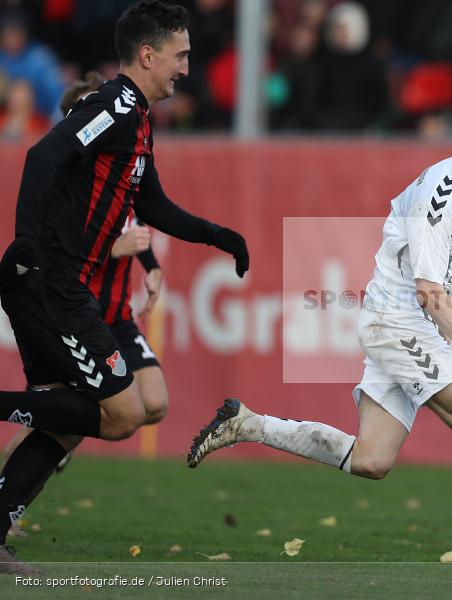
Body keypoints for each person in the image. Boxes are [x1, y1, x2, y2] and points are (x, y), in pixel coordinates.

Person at [187, 87, 452, 582]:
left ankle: (247, 424)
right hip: (399, 322)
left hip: (398, 319)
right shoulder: (443, 193)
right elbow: (429, 293)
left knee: (372, 460)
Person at [0, 0, 249, 573]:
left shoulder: (136, 118)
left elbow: (152, 204)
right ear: (148, 53)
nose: (186, 68)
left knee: (65, 423)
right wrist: (28, 248)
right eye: (180, 55)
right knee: (124, 413)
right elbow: (42, 156)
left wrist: (220, 236)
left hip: (59, 284)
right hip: (52, 283)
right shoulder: (113, 106)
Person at [2, 72, 170, 489]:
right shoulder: (69, 180)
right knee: (70, 416)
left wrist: (149, 263)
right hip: (71, 314)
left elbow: (134, 218)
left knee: (151, 403)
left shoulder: (119, 169)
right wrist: (117, 248)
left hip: (113, 317)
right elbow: (73, 246)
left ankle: (56, 443)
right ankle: (16, 492)